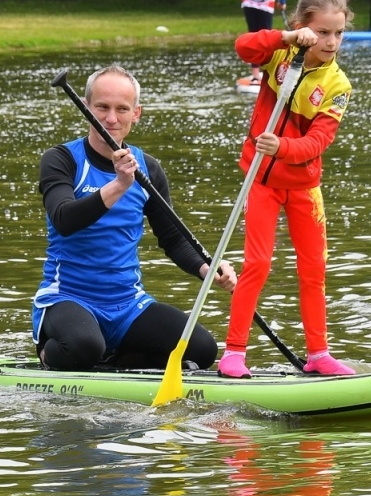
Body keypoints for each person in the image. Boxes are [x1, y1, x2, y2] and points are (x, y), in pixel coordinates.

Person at [35, 66, 237, 372]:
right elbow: (64, 219)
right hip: (67, 298)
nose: (111, 119)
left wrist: (208, 267)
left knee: (202, 350)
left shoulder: (149, 169)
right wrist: (118, 186)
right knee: (83, 346)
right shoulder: (61, 159)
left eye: (122, 109)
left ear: (136, 113)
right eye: (102, 107)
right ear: (87, 108)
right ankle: (52, 355)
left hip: (128, 305)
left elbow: (172, 238)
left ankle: (114, 360)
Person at [222, 0, 354, 378]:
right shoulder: (280, 55)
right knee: (258, 263)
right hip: (260, 179)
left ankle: (318, 354)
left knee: (314, 269)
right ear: (303, 28)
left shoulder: (338, 86)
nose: (331, 42)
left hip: (303, 186)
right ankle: (233, 354)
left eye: (339, 33)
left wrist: (282, 145)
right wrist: (285, 38)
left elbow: (317, 143)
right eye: (323, 32)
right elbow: (244, 46)